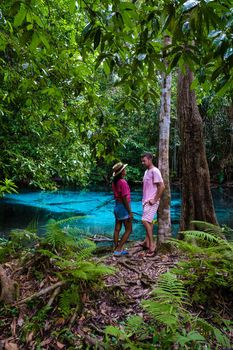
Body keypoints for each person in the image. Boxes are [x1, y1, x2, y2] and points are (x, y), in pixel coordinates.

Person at [140, 152, 165, 256]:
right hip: (145, 201)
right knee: (149, 222)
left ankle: (152, 246)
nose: (143, 162)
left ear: (150, 160)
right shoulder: (147, 171)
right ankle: (146, 242)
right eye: (142, 161)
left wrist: (155, 200)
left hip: (152, 202)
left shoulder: (155, 171)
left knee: (144, 220)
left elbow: (162, 186)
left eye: (144, 160)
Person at [112, 162, 133, 256]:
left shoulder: (115, 182)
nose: (125, 170)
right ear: (121, 172)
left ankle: (115, 247)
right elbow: (124, 198)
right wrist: (130, 212)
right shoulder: (123, 182)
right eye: (124, 169)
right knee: (129, 229)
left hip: (117, 206)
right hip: (123, 207)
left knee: (117, 228)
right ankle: (118, 250)